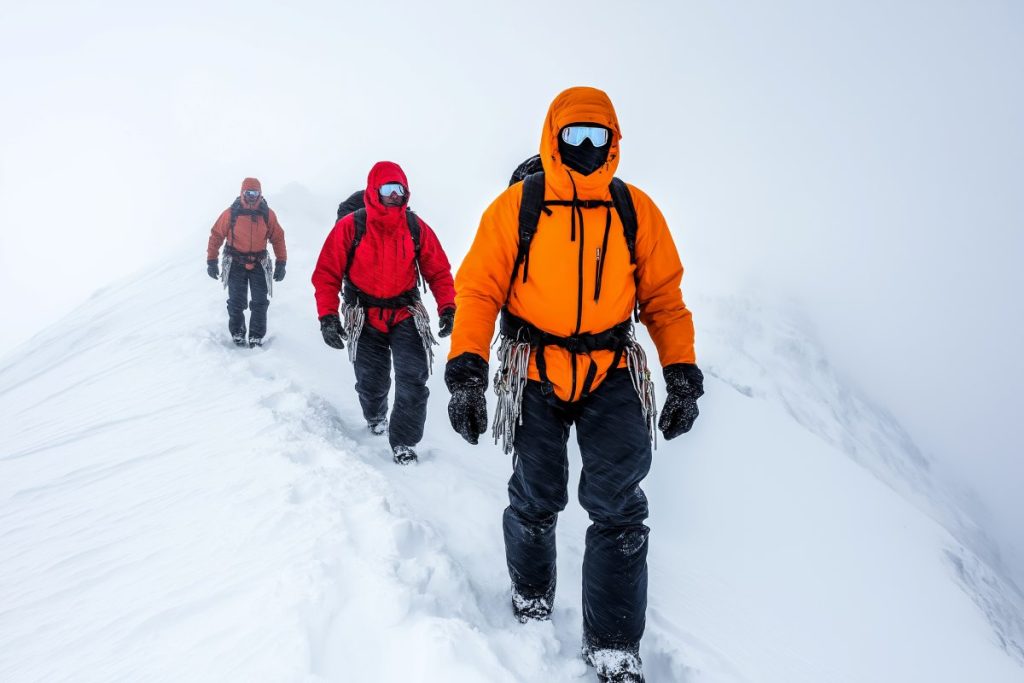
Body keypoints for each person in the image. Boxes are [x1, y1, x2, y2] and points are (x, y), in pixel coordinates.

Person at [444, 86, 703, 683]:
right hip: (532, 368)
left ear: (614, 142)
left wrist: (681, 373)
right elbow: (479, 291)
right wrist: (466, 375)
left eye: (597, 137)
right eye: (573, 137)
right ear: (553, 138)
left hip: (612, 370)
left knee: (618, 506)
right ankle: (532, 594)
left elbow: (663, 298)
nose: (585, 148)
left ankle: (613, 645)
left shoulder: (635, 209)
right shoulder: (516, 208)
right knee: (538, 494)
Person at [312, 161, 456, 465]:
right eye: (389, 189)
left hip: (405, 313)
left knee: (413, 378)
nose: (395, 195)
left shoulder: (415, 227)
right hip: (363, 316)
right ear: (374, 191)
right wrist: (327, 317)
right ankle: (375, 415)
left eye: (400, 189)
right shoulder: (351, 226)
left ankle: (404, 441)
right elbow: (326, 273)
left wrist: (448, 307)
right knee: (371, 380)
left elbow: (439, 270)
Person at [206, 178, 287, 347]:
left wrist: (281, 262)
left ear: (260, 193)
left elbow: (278, 238)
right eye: (248, 193)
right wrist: (211, 260)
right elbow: (216, 235)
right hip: (235, 263)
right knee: (236, 301)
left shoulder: (267, 214)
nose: (252, 196)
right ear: (242, 192)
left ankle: (256, 336)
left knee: (260, 302)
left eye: (255, 193)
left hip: (259, 263)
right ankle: (237, 332)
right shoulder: (231, 213)